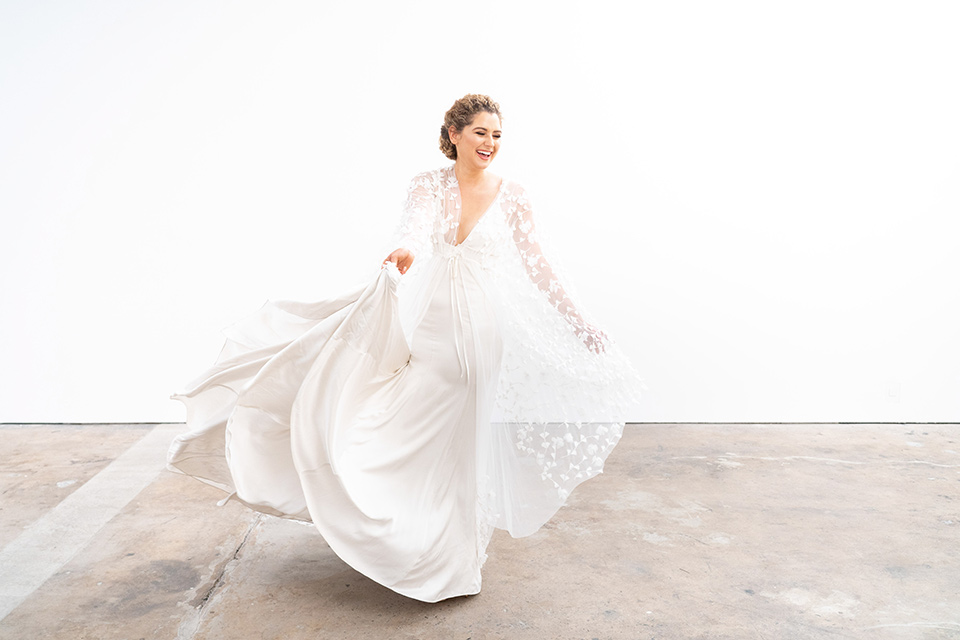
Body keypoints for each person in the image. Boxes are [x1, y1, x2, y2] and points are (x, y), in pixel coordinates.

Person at [168, 94, 642, 603]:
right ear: (455, 134)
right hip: (435, 325)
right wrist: (404, 252)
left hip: (484, 331)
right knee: (416, 420)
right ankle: (393, 522)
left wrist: (580, 323)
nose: (489, 144)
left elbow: (540, 267)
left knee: (466, 439)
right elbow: (413, 230)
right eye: (480, 132)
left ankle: (451, 556)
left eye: (497, 135)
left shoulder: (514, 195)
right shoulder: (428, 185)